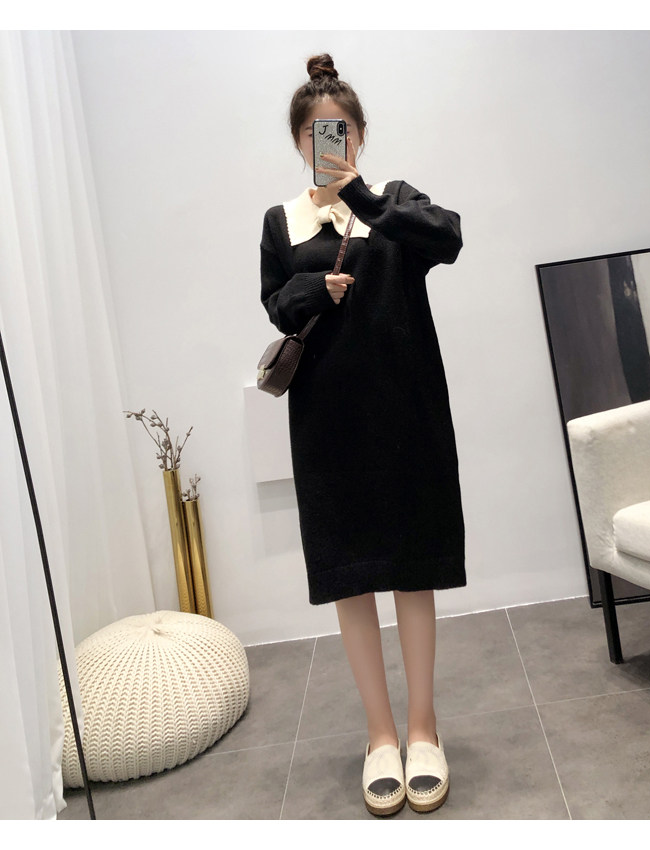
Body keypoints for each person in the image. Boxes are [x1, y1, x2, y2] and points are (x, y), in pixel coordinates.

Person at [260, 53, 466, 816]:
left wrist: (364, 198)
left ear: (361, 135)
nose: (331, 143)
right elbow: (276, 305)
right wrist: (316, 286)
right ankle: (380, 735)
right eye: (318, 134)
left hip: (406, 411)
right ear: (298, 141)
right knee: (351, 574)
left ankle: (424, 729)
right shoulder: (281, 222)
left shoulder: (395, 203)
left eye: (341, 131)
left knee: (413, 569)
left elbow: (448, 239)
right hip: (329, 423)